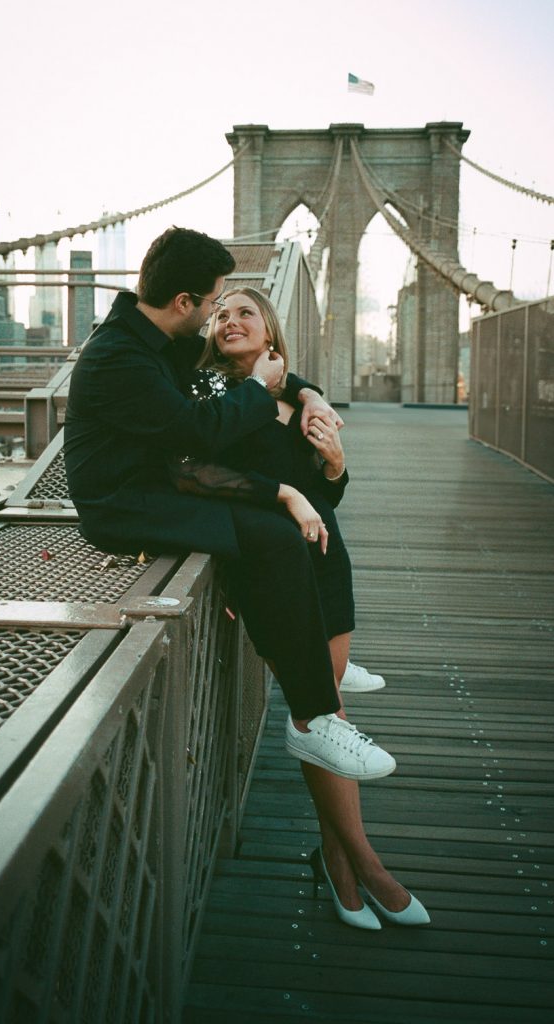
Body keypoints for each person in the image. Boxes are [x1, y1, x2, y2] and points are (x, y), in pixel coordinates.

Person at [64, 227, 427, 925]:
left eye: (240, 310)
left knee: (278, 536)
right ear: (184, 301)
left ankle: (316, 712)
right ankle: (315, 719)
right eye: (212, 306)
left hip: (235, 521)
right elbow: (194, 442)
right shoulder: (128, 359)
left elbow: (271, 402)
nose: (217, 319)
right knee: (269, 534)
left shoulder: (154, 342)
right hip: (128, 505)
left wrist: (309, 409)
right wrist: (280, 477)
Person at [169, 286, 430, 928]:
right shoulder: (207, 396)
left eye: (245, 313)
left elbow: (324, 501)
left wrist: (335, 467)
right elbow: (194, 472)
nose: (230, 320)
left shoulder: (295, 400)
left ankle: (336, 861)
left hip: (326, 568)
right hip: (271, 577)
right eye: (221, 313)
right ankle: (365, 863)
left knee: (327, 724)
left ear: (271, 330)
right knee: (324, 716)